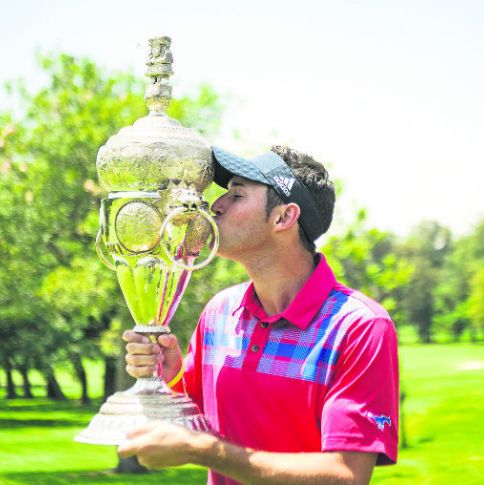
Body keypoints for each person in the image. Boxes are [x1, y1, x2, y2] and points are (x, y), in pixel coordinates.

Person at [119, 145, 399, 485]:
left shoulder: (359, 328)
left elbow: (346, 476)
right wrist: (170, 372)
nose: (215, 205)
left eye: (236, 195)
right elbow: (191, 417)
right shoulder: (219, 313)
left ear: (283, 217)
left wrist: (204, 450)